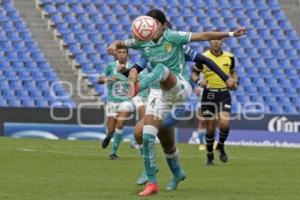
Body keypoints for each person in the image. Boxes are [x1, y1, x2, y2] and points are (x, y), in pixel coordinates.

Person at [108, 9, 245, 196]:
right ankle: (154, 181)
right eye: (150, 23)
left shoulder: (174, 38)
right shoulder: (143, 43)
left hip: (179, 89)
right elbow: (124, 47)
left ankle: (136, 89)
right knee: (149, 136)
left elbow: (204, 39)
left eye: (156, 23)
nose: (152, 26)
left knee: (161, 70)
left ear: (163, 25)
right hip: (158, 94)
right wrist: (117, 52)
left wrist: (229, 36)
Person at [192, 36, 239, 165]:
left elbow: (233, 72)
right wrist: (198, 81)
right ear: (209, 41)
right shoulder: (203, 57)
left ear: (222, 41)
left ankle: (221, 146)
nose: (216, 41)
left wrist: (235, 82)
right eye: (213, 39)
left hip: (224, 93)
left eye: (218, 39)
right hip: (209, 95)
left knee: (224, 123)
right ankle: (209, 155)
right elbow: (194, 73)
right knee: (210, 129)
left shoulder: (229, 57)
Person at [99, 46, 133, 160]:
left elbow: (136, 81)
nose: (122, 54)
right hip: (112, 101)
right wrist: (108, 79)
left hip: (125, 101)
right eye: (120, 52)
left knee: (120, 124)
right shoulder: (110, 66)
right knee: (111, 130)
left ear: (127, 54)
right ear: (116, 54)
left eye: (124, 52)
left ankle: (113, 153)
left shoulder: (132, 67)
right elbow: (99, 80)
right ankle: (109, 136)